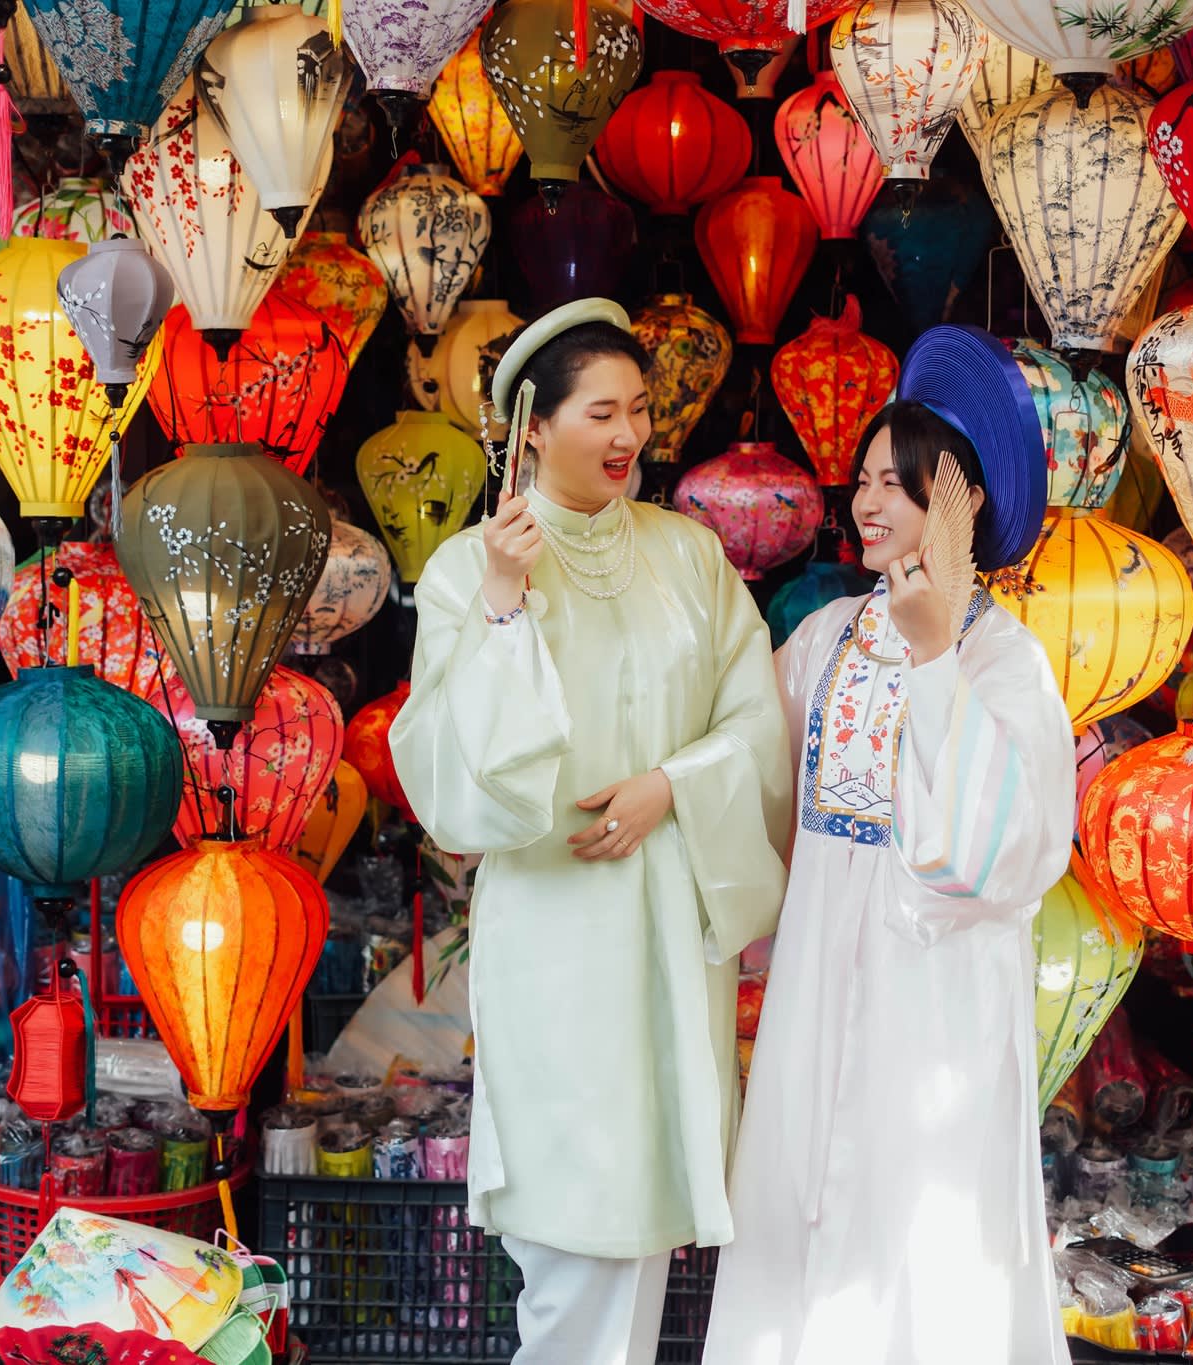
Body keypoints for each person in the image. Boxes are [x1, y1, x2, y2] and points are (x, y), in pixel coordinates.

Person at [387, 298, 794, 1365]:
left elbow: (756, 724)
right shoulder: (465, 570)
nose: (628, 436)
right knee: (575, 1217)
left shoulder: (689, 555)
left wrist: (671, 785)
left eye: (639, 410)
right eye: (600, 413)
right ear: (533, 428)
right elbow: (453, 769)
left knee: (645, 1211)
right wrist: (505, 597)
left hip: (670, 920)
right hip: (555, 932)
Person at [704, 325, 1076, 1365]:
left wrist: (933, 655)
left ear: (958, 505)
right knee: (797, 1193)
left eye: (897, 485)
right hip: (817, 966)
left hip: (939, 988)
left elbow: (996, 853)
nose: (868, 502)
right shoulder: (824, 637)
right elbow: (745, 764)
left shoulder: (1005, 660)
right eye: (863, 479)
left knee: (920, 1216)